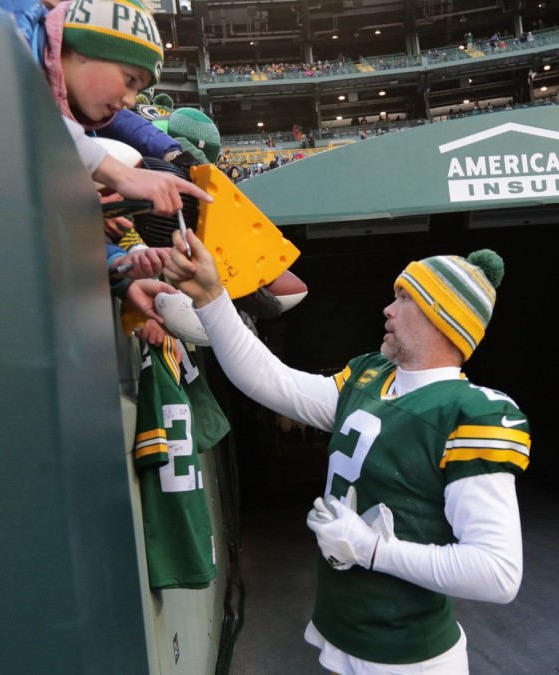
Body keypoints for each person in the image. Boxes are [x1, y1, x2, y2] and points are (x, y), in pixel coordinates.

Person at [163, 232, 531, 674]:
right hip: (346, 634)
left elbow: (497, 572)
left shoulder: (466, 413)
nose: (388, 309)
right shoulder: (370, 377)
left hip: (410, 658)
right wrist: (210, 295)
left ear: (441, 317)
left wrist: (371, 550)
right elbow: (270, 380)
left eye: (405, 298)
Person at [10, 0, 209, 215]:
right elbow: (10, 110)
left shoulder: (80, 107)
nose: (131, 101)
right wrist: (117, 172)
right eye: (130, 79)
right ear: (87, 47)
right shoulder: (4, 29)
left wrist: (131, 248)